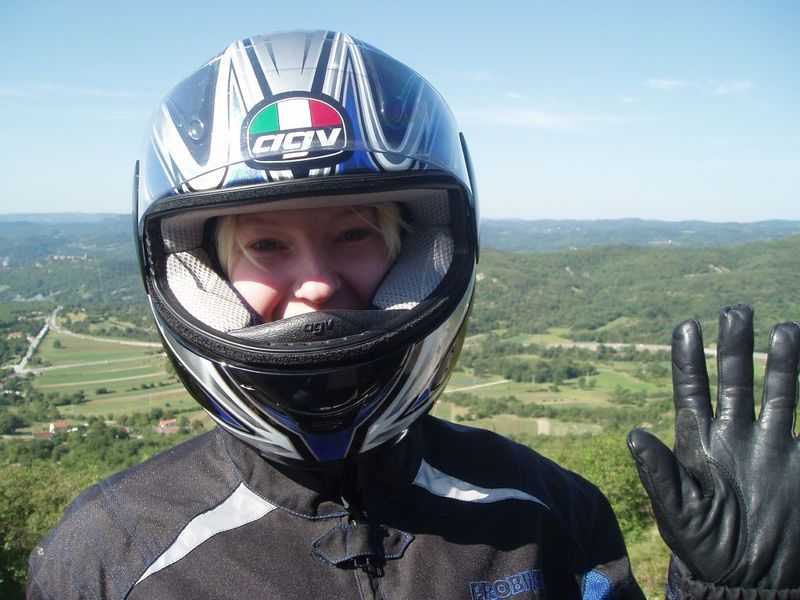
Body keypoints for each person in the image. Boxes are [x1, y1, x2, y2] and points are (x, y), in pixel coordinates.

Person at [26, 30, 800, 600]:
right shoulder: (108, 557)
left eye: (354, 234)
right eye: (264, 243)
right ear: (204, 277)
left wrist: (733, 592)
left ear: (421, 256)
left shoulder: (547, 513)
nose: (317, 285)